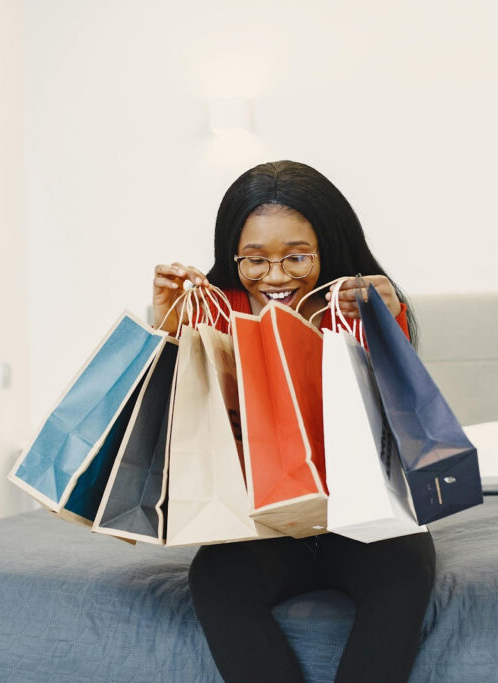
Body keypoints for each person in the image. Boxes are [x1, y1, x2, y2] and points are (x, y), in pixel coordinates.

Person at [151, 160, 435, 683]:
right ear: (232, 256)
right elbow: (173, 416)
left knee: (405, 573)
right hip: (262, 522)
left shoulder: (355, 302)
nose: (275, 277)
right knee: (213, 582)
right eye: (254, 260)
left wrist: (385, 321)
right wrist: (165, 325)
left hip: (362, 515)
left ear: (328, 249)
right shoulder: (218, 309)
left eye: (297, 257)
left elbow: (400, 407)